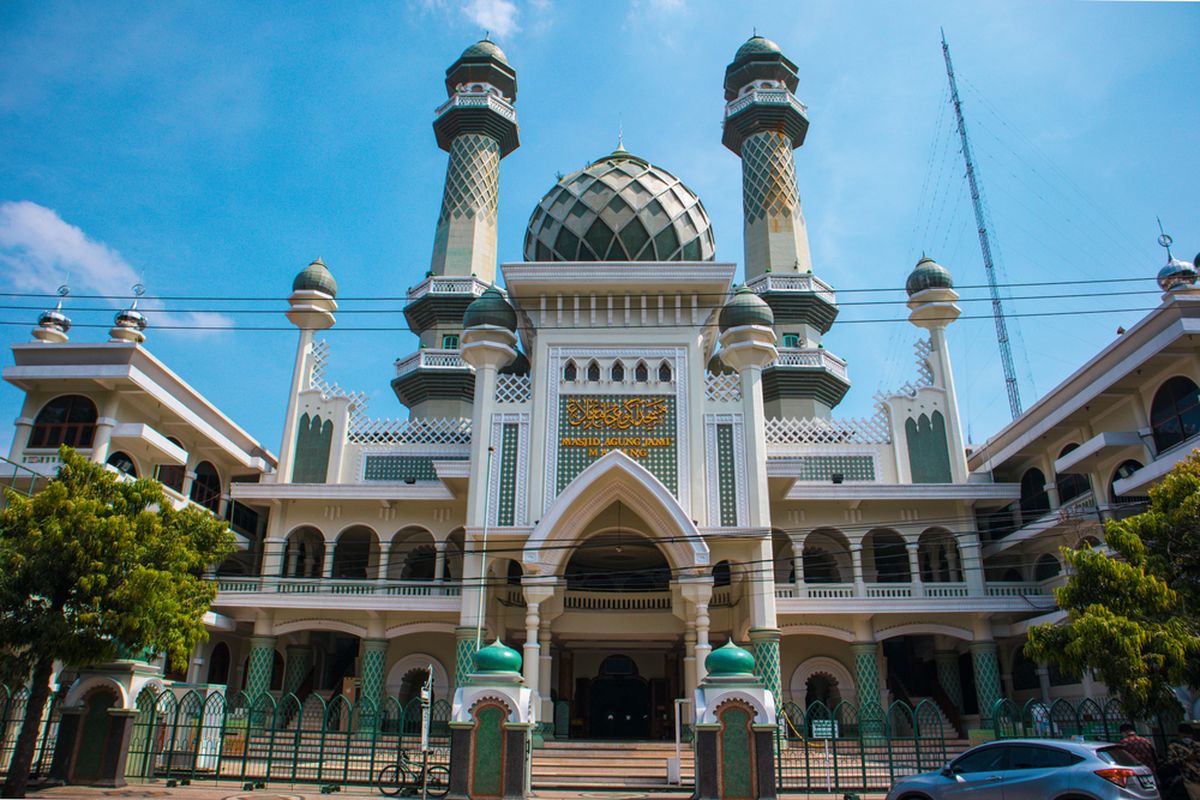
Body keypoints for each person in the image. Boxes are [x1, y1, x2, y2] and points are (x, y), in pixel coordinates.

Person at [1165, 723, 1200, 800]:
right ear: (1179, 735)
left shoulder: (1197, 745)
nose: (1187, 738)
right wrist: (1187, 758)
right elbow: (1170, 763)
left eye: (1189, 736)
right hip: (1188, 779)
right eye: (1184, 736)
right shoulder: (1174, 747)